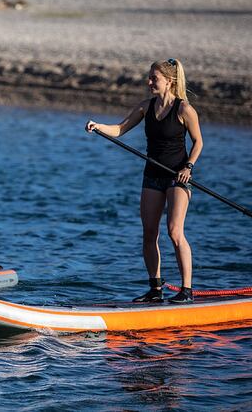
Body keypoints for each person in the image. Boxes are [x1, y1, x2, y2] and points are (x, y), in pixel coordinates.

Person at [85, 59, 203, 304]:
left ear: (169, 81)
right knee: (149, 233)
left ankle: (186, 291)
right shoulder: (145, 107)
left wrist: (188, 167)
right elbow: (119, 129)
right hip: (152, 175)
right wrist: (98, 126)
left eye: (154, 78)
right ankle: (155, 289)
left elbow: (198, 142)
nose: (149, 82)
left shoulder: (184, 110)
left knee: (174, 232)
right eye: (149, 78)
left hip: (176, 177)